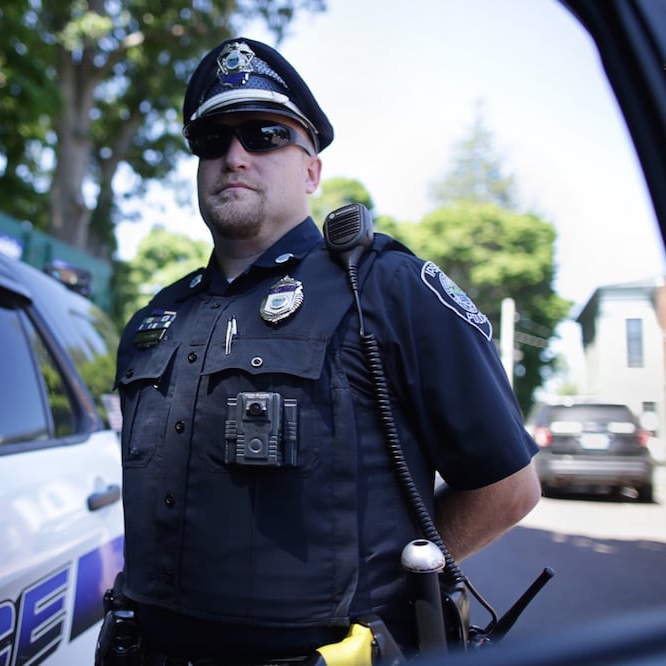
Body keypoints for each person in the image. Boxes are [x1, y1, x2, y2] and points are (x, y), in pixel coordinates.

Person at [110, 36, 541, 664]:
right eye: (212, 141)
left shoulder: (387, 289)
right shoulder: (156, 318)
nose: (234, 156)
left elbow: (508, 488)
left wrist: (391, 591)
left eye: (262, 135)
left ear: (312, 170)